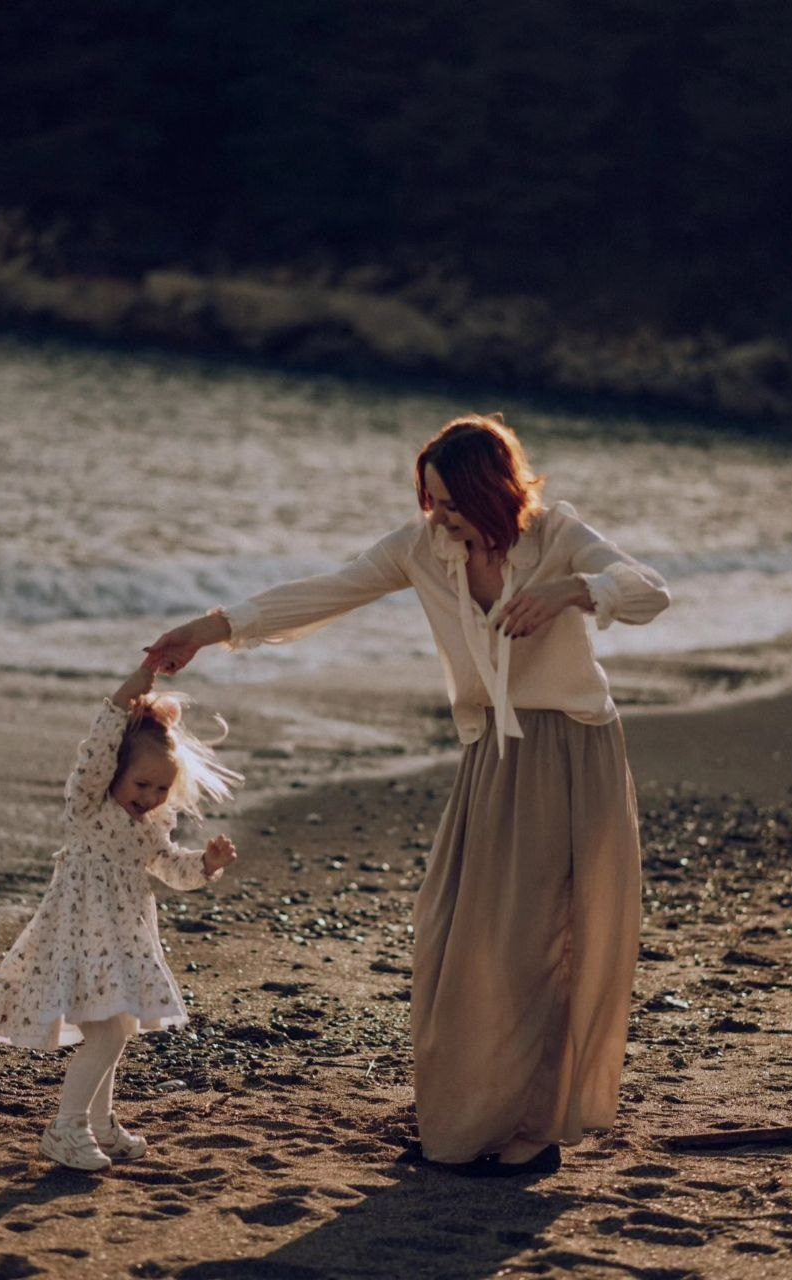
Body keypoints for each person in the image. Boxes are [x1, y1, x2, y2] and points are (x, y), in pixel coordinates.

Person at [144, 412, 669, 1176]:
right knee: (453, 936)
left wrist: (570, 592)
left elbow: (648, 591)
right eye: (430, 501)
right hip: (490, 754)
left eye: (451, 503)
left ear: (492, 492)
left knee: (541, 940)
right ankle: (465, 1119)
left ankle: (531, 1132)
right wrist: (208, 627)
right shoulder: (422, 549)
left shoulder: (556, 534)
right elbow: (327, 590)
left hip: (571, 751)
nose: (438, 517)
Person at [0, 666, 240, 1171]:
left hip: (123, 939)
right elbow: (94, 753)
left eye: (161, 788)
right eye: (141, 783)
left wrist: (206, 864)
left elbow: (170, 867)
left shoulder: (150, 824)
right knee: (108, 1034)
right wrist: (126, 694)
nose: (150, 797)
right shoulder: (89, 807)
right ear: (113, 772)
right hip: (80, 936)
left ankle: (99, 1124)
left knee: (117, 1026)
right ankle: (66, 1128)